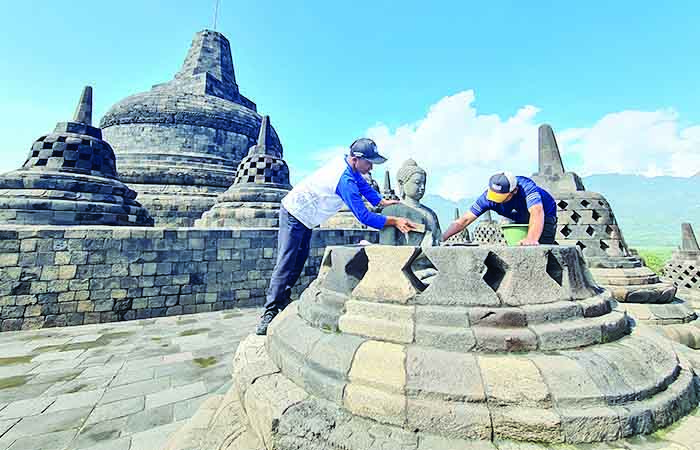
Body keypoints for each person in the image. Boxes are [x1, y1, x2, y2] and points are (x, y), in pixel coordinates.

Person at [256, 138, 418, 335]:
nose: (371, 168)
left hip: (307, 217)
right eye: (369, 163)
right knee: (287, 261)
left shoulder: (350, 167)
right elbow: (364, 216)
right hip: (294, 212)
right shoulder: (345, 179)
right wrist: (395, 222)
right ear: (357, 159)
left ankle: (283, 298)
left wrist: (383, 202)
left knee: (299, 259)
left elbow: (365, 188)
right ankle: (269, 312)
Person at [442, 172, 557, 245]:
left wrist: (531, 239)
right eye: (494, 195)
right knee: (516, 246)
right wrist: (441, 238)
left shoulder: (526, 187)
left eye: (500, 197)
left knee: (541, 246)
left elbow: (536, 212)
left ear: (514, 191)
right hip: (517, 217)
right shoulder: (487, 198)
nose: (495, 200)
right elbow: (464, 220)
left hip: (544, 213)